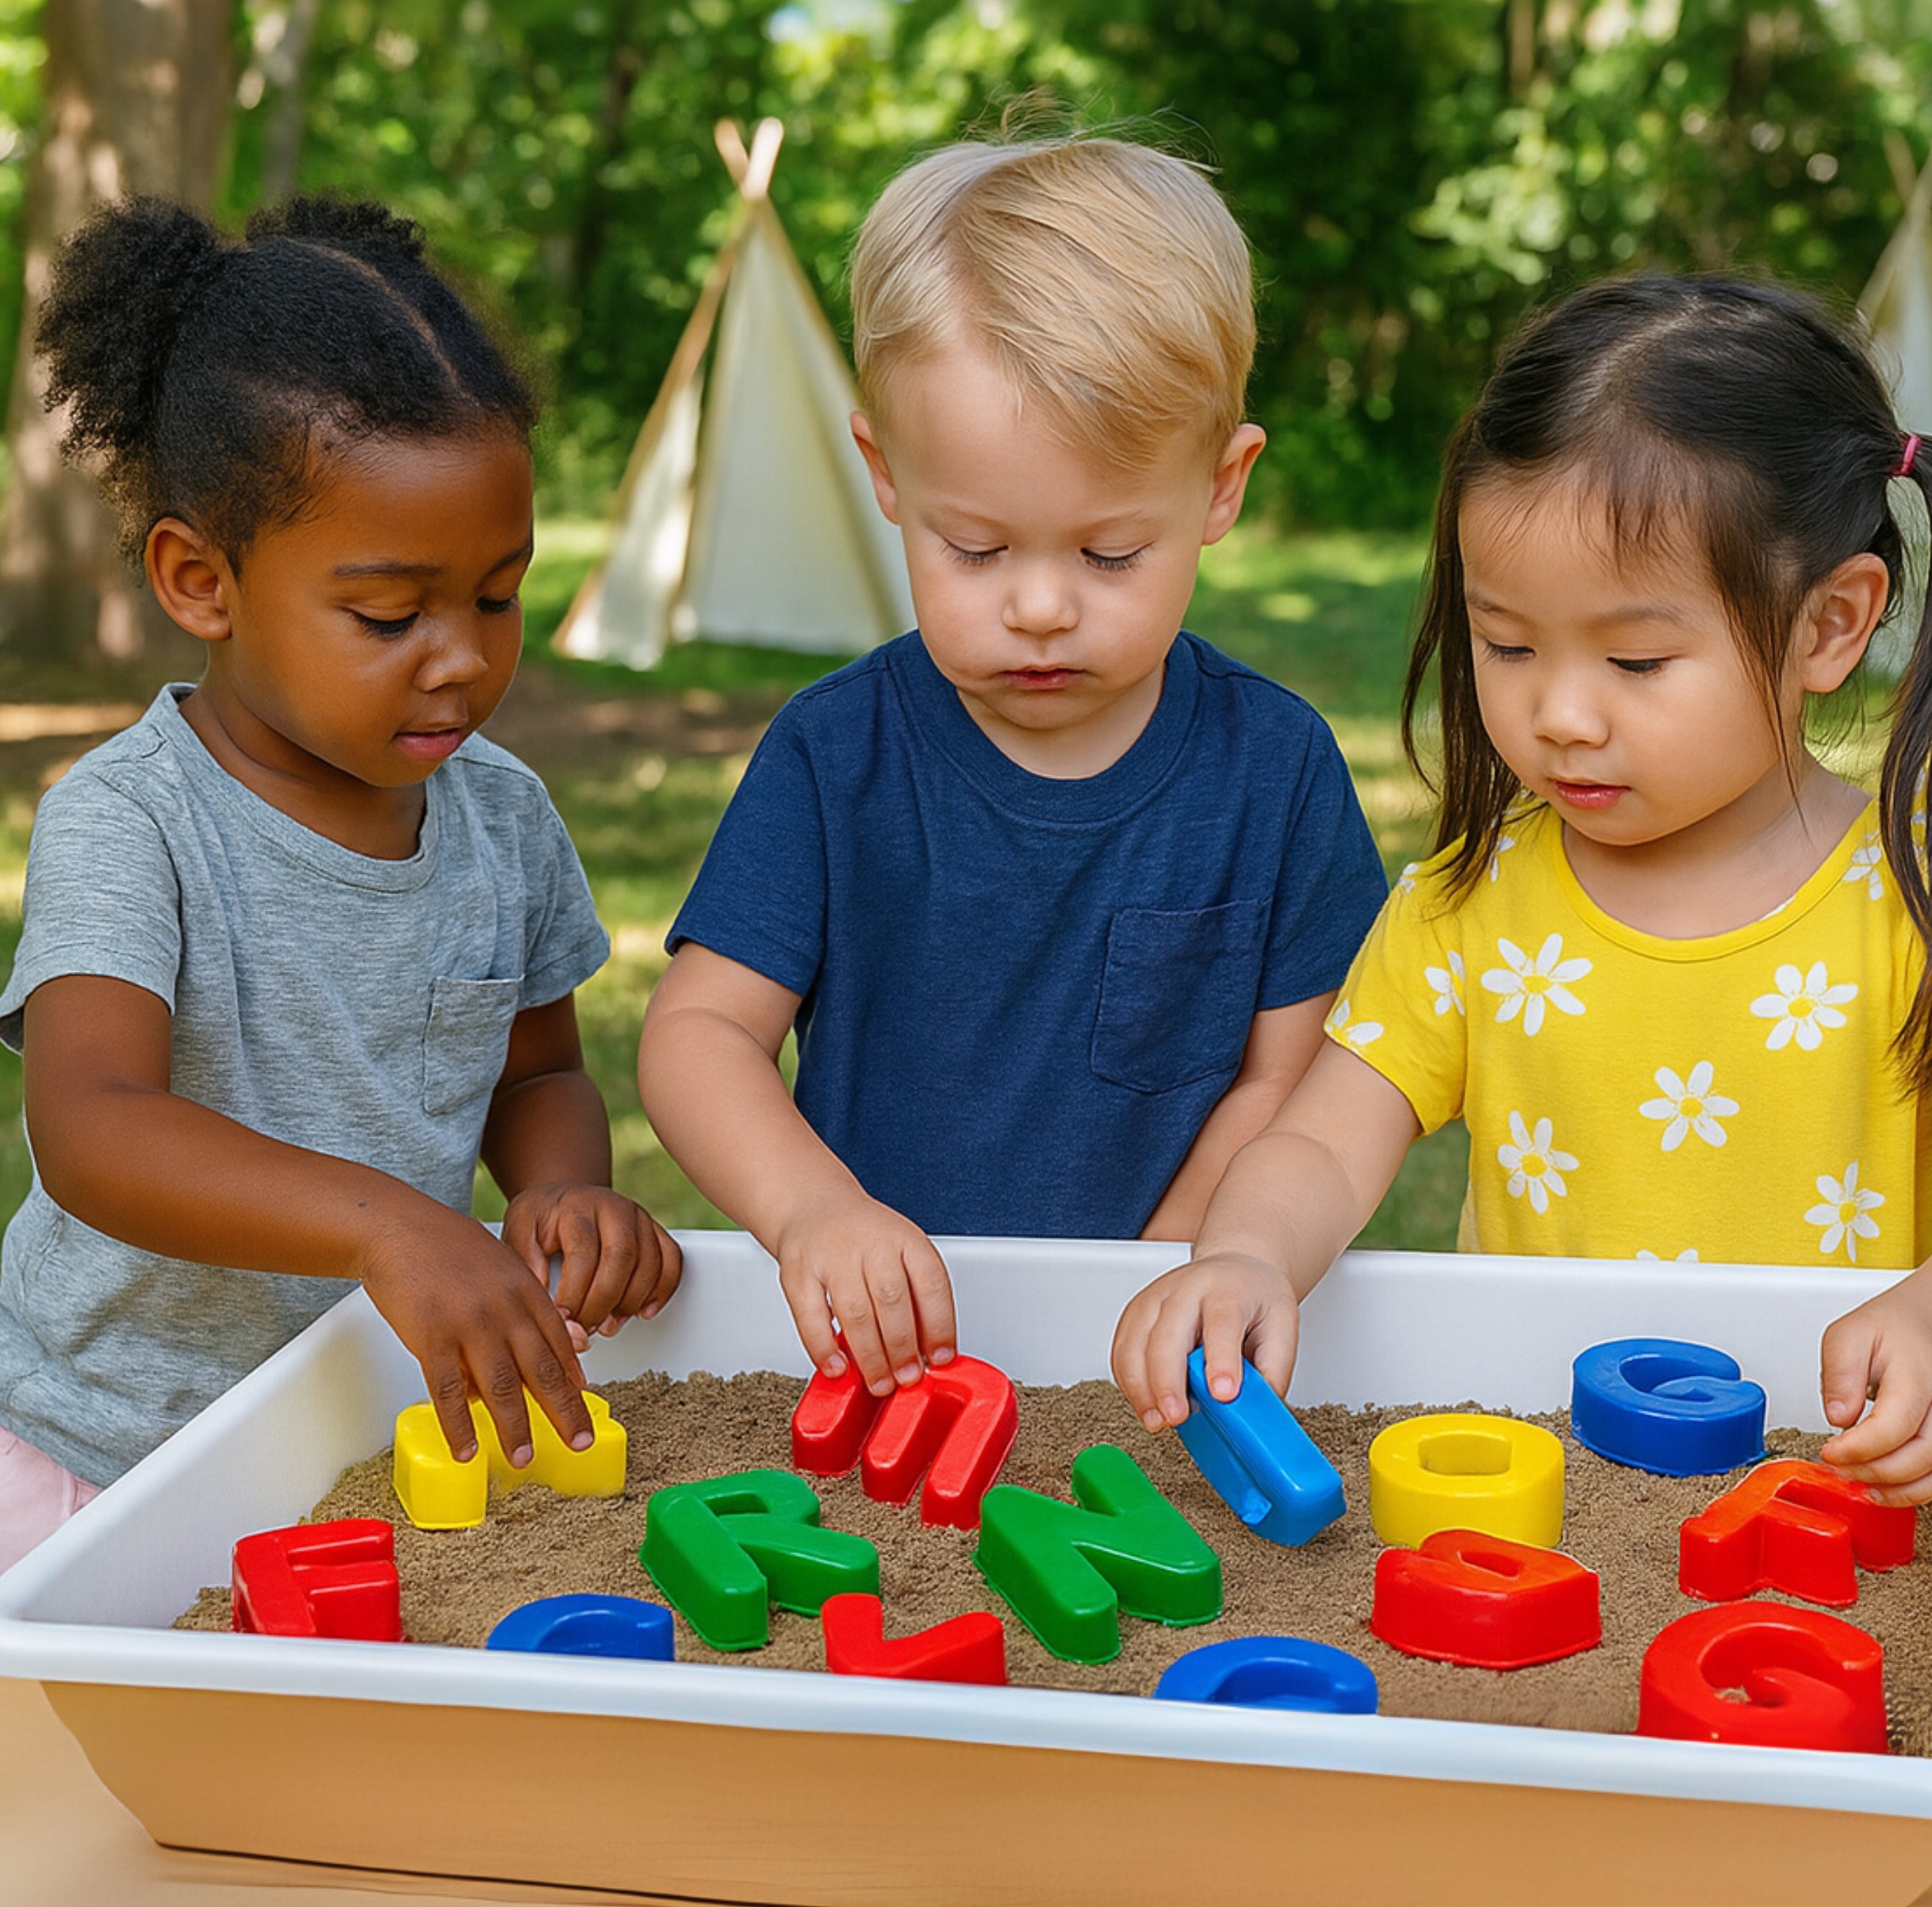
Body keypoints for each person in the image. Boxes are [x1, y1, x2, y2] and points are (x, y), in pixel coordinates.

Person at [1113, 273, 1932, 1507]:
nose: (1562, 715)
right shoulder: (1470, 905)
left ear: (1830, 625)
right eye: (1508, 644)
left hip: (1833, 1483)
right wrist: (1249, 1253)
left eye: (1637, 659)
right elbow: (1321, 1140)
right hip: (1550, 1489)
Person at [640, 134, 1388, 1399]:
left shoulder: (1276, 768)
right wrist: (813, 1209)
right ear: (886, 476)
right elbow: (699, 1033)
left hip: (1151, 1360)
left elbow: (1298, 1074)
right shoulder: (836, 754)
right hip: (887, 1360)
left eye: (1110, 555)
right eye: (976, 550)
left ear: (1222, 487)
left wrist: (1170, 1264)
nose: (1041, 607)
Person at [0, 196, 682, 1573]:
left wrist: (561, 1193)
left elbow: (540, 1073)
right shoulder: (132, 822)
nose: (461, 658)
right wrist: (388, 1226)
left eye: (497, 596)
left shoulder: (504, 819)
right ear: (202, 581)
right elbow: (92, 1126)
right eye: (388, 614)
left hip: (355, 1455)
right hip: (101, 1457)